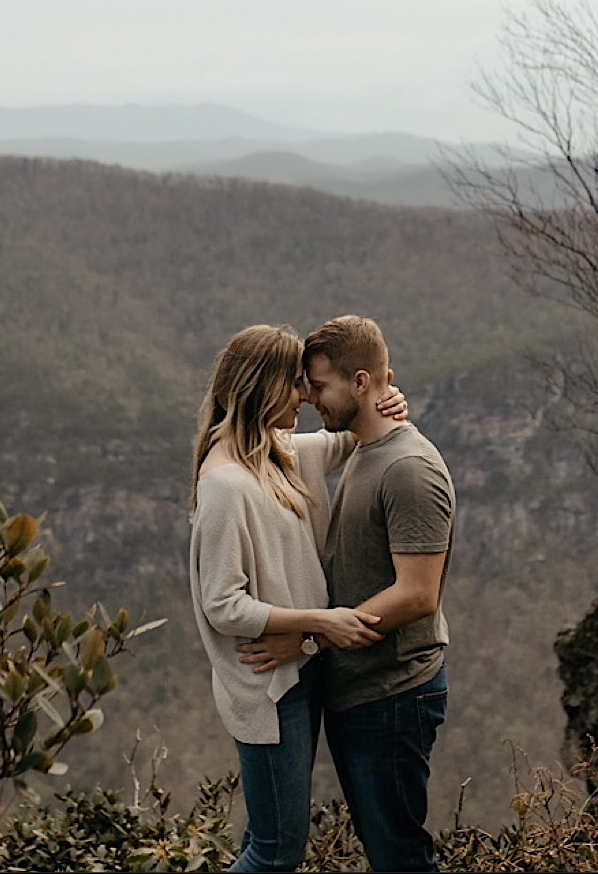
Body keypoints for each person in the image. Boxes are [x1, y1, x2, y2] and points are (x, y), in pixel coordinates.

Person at [240, 314, 455, 874]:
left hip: (393, 692)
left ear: (360, 383)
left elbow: (416, 595)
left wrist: (310, 635)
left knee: (399, 857)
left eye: (319, 385)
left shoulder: (408, 469)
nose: (310, 398)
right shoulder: (363, 447)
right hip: (361, 690)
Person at [188, 324, 404, 873]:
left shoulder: (278, 454)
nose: (306, 398)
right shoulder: (225, 485)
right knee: (276, 852)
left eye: (311, 386)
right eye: (296, 386)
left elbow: (354, 431)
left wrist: (383, 395)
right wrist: (320, 622)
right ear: (262, 388)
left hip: (300, 669)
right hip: (268, 689)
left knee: (267, 838)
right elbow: (222, 604)